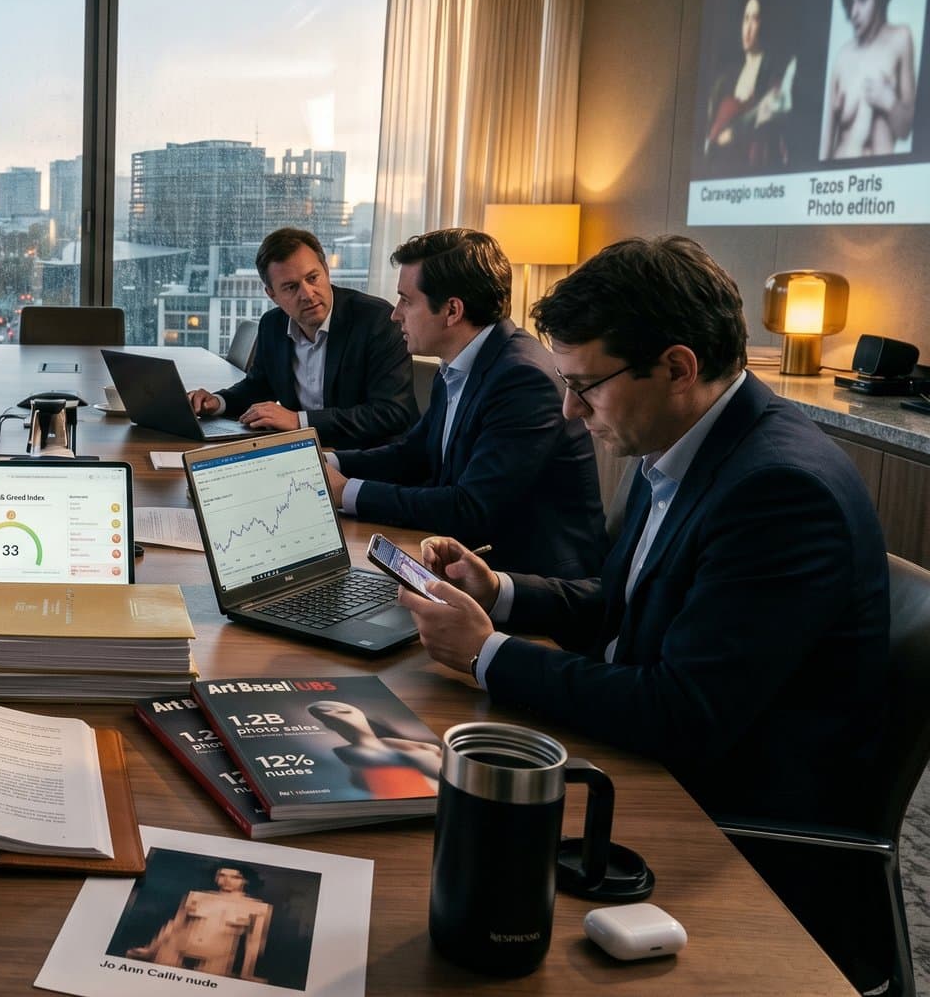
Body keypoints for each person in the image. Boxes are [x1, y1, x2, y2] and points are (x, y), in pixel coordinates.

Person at [399, 235, 891, 992]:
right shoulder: (680, 441)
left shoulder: (780, 492)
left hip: (724, 829)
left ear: (678, 368)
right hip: (656, 763)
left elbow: (678, 712)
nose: (570, 409)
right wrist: (500, 591)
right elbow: (626, 600)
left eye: (585, 386)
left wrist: (486, 652)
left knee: (434, 857)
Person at [323, 229, 604, 578]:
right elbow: (414, 454)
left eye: (406, 301)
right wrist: (326, 463)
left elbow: (471, 508)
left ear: (452, 310)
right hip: (474, 560)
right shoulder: (459, 363)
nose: (395, 314)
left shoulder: (522, 379)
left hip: (534, 581)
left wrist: (346, 492)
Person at [186, 227, 417, 449]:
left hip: (369, 459)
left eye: (312, 278)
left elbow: (391, 413)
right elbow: (258, 386)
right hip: (304, 455)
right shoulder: (272, 325)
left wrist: (299, 421)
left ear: (326, 270)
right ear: (272, 295)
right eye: (290, 287)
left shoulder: (377, 321)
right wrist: (217, 402)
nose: (307, 294)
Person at [823, 0, 917, 160]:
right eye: (851, 2)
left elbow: (906, 130)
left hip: (877, 179)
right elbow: (824, 149)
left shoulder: (900, 39)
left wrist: (889, 101)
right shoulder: (842, 57)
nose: (854, 12)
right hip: (836, 177)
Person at [128, 864, 271, 981]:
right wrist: (151, 949)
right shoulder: (197, 896)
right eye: (222, 875)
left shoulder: (257, 907)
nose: (227, 880)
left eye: (235, 877)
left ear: (246, 880)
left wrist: (247, 973)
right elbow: (175, 925)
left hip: (217, 958)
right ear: (215, 877)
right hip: (173, 950)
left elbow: (254, 943)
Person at [703, 0, 797, 170]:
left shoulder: (775, 68)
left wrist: (735, 132)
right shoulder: (725, 79)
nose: (748, 27)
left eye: (755, 19)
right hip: (724, 169)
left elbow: (774, 108)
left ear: (764, 23)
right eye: (746, 18)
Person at [306, 700, 441, 798]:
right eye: (327, 720)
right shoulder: (344, 752)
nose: (331, 720)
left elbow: (431, 750)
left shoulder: (387, 742)